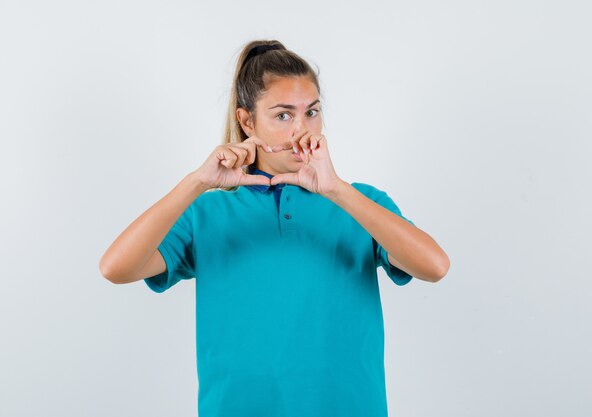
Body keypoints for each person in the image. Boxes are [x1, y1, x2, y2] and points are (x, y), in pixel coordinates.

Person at [99, 39, 450, 417]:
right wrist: (196, 182)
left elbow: (435, 266)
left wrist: (337, 190)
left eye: (312, 112)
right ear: (247, 121)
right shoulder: (207, 211)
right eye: (283, 116)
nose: (302, 130)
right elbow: (115, 268)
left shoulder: (361, 203)